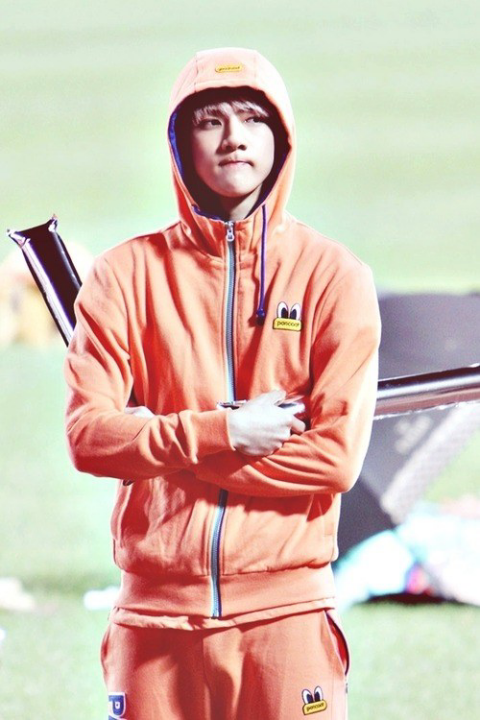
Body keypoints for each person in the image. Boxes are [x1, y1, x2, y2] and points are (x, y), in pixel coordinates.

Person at [64, 47, 381, 720]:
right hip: (153, 621)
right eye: (210, 120)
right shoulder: (123, 276)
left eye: (252, 119)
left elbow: (334, 459)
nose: (234, 137)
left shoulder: (334, 276)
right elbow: (90, 438)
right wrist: (228, 429)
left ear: (280, 138)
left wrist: (159, 443)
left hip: (287, 616)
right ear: (180, 145)